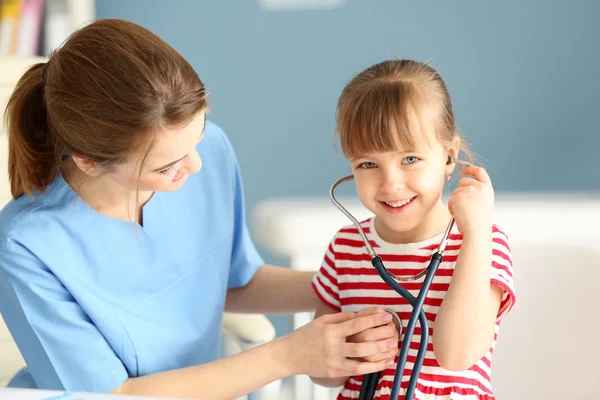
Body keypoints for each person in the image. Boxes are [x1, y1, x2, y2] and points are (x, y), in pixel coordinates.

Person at [0, 19, 400, 399]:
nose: (196, 165)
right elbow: (110, 395)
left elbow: (232, 284)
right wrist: (289, 355)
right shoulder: (27, 245)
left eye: (200, 134)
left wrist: (350, 280)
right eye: (166, 166)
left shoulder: (209, 151)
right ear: (88, 160)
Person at [310, 60, 516, 399]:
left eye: (410, 159)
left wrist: (476, 232)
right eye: (368, 164)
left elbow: (457, 355)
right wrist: (349, 351)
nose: (391, 183)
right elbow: (323, 373)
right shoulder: (346, 247)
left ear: (449, 156)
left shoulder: (482, 242)